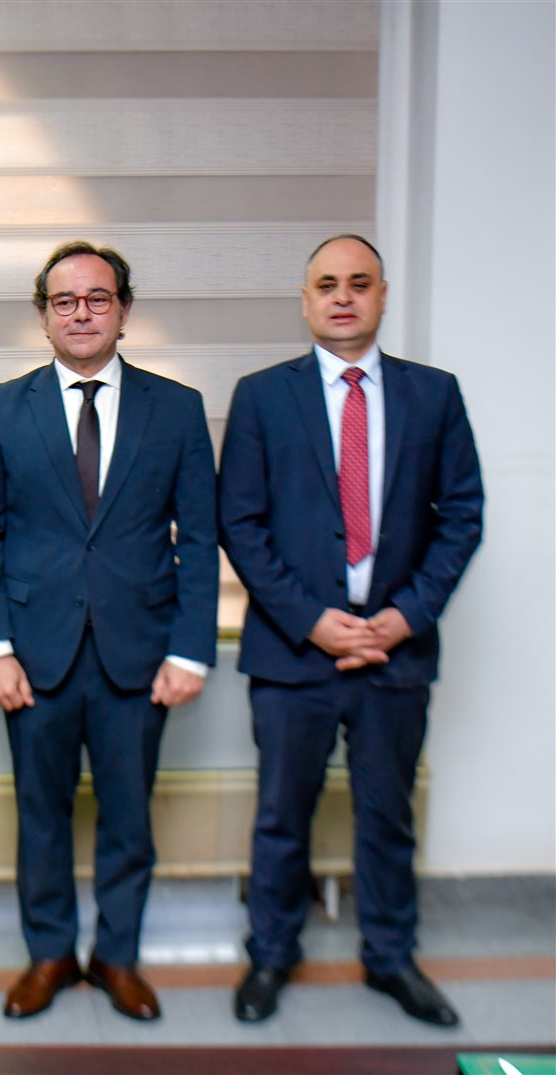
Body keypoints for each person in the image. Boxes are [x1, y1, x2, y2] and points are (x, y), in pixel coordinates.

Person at [218, 234, 483, 1027]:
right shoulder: (262, 396)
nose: (343, 296)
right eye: (327, 284)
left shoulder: (434, 395)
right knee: (281, 815)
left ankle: (392, 958)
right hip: (293, 653)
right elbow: (240, 521)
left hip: (396, 654)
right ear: (305, 300)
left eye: (359, 283)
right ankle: (271, 954)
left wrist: (406, 616)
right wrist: (311, 620)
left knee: (388, 814)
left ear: (382, 295)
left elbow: (461, 515)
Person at [0, 241, 218, 1022]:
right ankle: (49, 954)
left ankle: (117, 956)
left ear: (124, 310)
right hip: (32, 654)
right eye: (64, 301)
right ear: (43, 315)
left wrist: (190, 649)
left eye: (98, 298)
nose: (81, 313)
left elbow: (200, 538)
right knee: (40, 815)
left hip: (140, 654)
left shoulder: (177, 407)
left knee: (128, 818)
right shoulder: (0, 408)